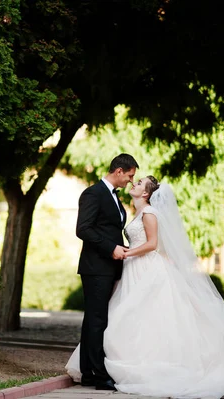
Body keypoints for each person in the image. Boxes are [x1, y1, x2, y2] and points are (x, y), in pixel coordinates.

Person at [67, 176, 224, 398]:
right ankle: (106, 366)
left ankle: (145, 364)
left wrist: (126, 252)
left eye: (138, 182)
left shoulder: (149, 213)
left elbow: (152, 244)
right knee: (127, 315)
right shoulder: (136, 211)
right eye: (133, 179)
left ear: (147, 194)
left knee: (143, 314)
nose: (133, 183)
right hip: (132, 267)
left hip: (143, 266)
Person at [74, 153, 139, 390]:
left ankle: (88, 372)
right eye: (130, 175)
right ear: (119, 171)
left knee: (95, 318)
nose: (131, 181)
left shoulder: (114, 198)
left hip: (110, 267)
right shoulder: (93, 193)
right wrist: (110, 247)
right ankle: (99, 375)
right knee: (97, 319)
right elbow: (83, 229)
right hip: (96, 267)